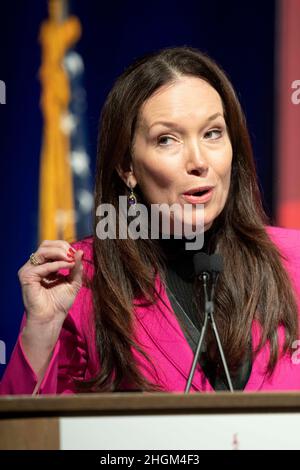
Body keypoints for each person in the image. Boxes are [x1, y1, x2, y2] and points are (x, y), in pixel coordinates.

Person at [1, 46, 300, 395]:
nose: (199, 160)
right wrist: (42, 330)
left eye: (213, 133)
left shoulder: (294, 260)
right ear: (127, 167)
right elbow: (25, 441)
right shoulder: (82, 283)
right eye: (167, 140)